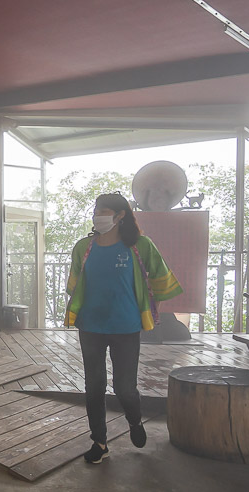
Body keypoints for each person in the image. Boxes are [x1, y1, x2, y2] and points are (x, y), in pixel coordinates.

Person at [64, 192, 182, 464]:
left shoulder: (139, 245)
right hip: (90, 325)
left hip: (126, 327)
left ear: (120, 216)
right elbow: (75, 284)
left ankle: (134, 420)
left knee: (124, 387)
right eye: (96, 210)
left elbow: (161, 277)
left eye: (104, 211)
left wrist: (150, 306)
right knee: (94, 386)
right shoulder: (84, 247)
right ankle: (100, 441)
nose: (98, 216)